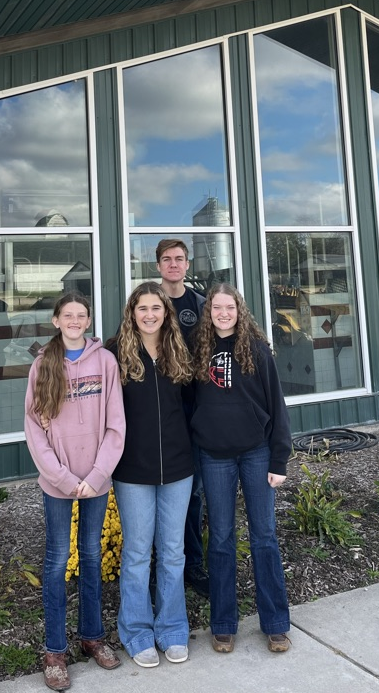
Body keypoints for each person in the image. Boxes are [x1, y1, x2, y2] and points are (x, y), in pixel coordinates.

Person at [24, 292, 126, 692]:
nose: (74, 321)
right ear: (55, 320)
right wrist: (65, 479)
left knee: (90, 556)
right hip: (58, 483)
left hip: (97, 479)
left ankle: (92, 636)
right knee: (56, 560)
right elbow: (34, 431)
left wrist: (98, 474)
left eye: (81, 315)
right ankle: (55, 649)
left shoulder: (105, 362)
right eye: (67, 315)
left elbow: (116, 425)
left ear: (88, 321)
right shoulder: (42, 365)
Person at [191, 283, 292, 655]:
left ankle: (276, 624)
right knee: (219, 539)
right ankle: (223, 624)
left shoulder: (257, 349)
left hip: (256, 453)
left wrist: (279, 458)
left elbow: (277, 406)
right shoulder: (197, 349)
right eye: (216, 307)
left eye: (229, 307)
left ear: (239, 310)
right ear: (209, 312)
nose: (223, 313)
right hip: (214, 455)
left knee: (264, 537)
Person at [108, 281, 193, 668]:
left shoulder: (179, 350)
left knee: (174, 553)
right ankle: (137, 632)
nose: (149, 315)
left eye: (155, 308)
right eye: (142, 308)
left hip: (178, 466)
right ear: (132, 312)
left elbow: (193, 406)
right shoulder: (115, 354)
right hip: (132, 470)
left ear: (165, 312)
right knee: (138, 553)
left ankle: (173, 628)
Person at [155, 239, 208, 598]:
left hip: (199, 409)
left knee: (195, 492)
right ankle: (167, 564)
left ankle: (193, 564)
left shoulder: (200, 305)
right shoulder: (147, 302)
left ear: (187, 265)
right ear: (158, 265)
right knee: (166, 490)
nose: (173, 265)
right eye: (167, 260)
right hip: (160, 411)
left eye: (179, 259)